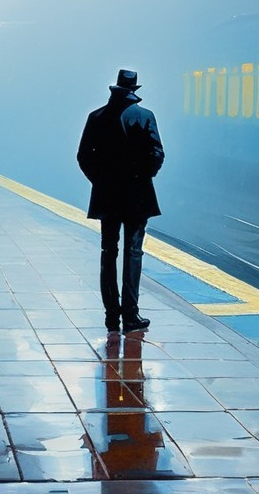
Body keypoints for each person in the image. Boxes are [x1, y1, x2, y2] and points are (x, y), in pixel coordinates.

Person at [78, 69, 165, 334]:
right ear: (134, 91)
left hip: (107, 196)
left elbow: (83, 156)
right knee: (133, 253)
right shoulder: (144, 117)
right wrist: (141, 177)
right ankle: (130, 315)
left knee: (108, 253)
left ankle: (110, 316)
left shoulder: (97, 117)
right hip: (137, 197)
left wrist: (100, 181)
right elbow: (157, 154)